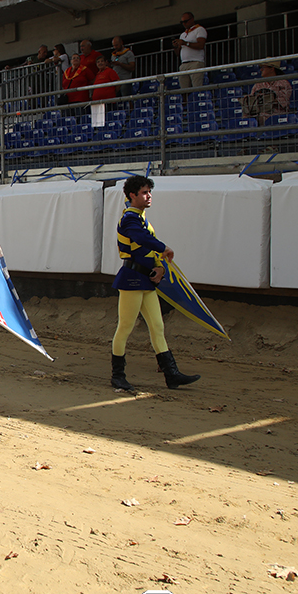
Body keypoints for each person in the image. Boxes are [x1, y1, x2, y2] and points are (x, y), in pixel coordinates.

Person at [109, 176, 200, 392]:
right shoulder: (131, 218)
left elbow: (146, 247)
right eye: (144, 192)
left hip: (145, 279)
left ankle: (172, 374)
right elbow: (141, 239)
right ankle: (117, 376)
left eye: (149, 192)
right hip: (132, 279)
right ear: (132, 195)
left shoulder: (141, 219)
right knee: (125, 327)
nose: (148, 196)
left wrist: (159, 266)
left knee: (157, 327)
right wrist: (163, 248)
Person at [173, 11, 207, 89]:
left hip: (195, 62)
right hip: (184, 64)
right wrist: (176, 46)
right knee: (184, 90)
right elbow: (178, 53)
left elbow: (201, 45)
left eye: (186, 21)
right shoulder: (183, 34)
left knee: (197, 88)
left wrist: (186, 43)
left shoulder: (200, 29)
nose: (184, 24)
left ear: (192, 19)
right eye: (182, 22)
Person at [91, 54, 122, 127]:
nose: (100, 63)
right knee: (99, 123)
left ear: (106, 62)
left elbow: (118, 83)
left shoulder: (110, 71)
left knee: (108, 121)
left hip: (108, 101)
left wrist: (113, 93)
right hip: (97, 103)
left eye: (102, 61)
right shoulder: (98, 74)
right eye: (98, 62)